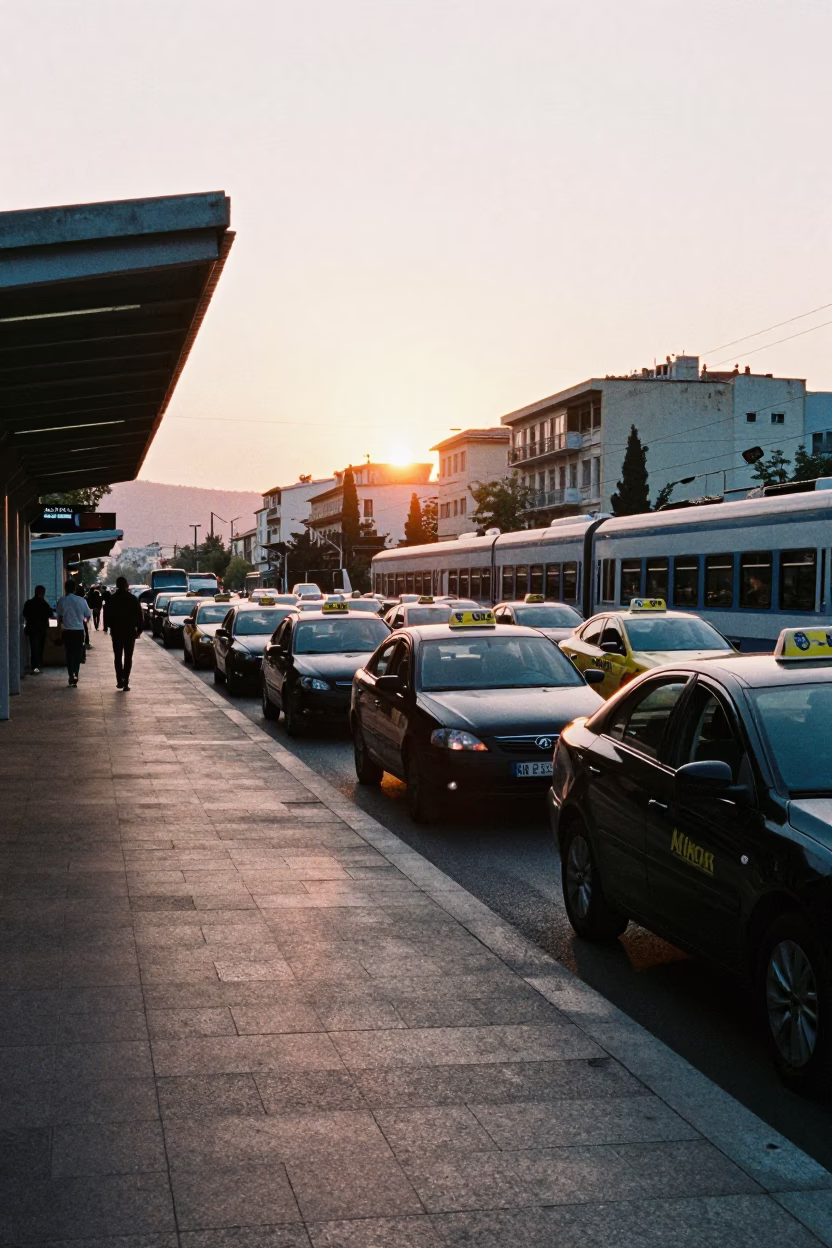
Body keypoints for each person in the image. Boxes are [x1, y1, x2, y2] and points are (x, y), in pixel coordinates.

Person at [104, 576, 143, 691]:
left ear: (116, 586)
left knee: (117, 656)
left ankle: (119, 680)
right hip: (130, 632)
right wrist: (139, 630)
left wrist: (109, 626)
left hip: (116, 632)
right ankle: (126, 680)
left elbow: (107, 615)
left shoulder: (112, 599)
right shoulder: (132, 599)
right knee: (128, 656)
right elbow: (139, 615)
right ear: (126, 585)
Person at [55, 580, 92, 687]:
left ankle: (71, 674)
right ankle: (76, 674)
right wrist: (82, 620)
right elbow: (88, 615)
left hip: (67, 631)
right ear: (75, 589)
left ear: (65, 588)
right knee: (77, 654)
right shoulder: (82, 601)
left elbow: (59, 617)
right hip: (79, 631)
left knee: (69, 654)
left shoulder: (62, 601)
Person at [22, 585, 54, 674]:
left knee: (33, 648)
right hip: (41, 629)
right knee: (39, 649)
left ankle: (34, 667)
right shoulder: (43, 603)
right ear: (43, 593)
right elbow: (50, 613)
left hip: (31, 628)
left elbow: (24, 613)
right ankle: (36, 667)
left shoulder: (28, 603)